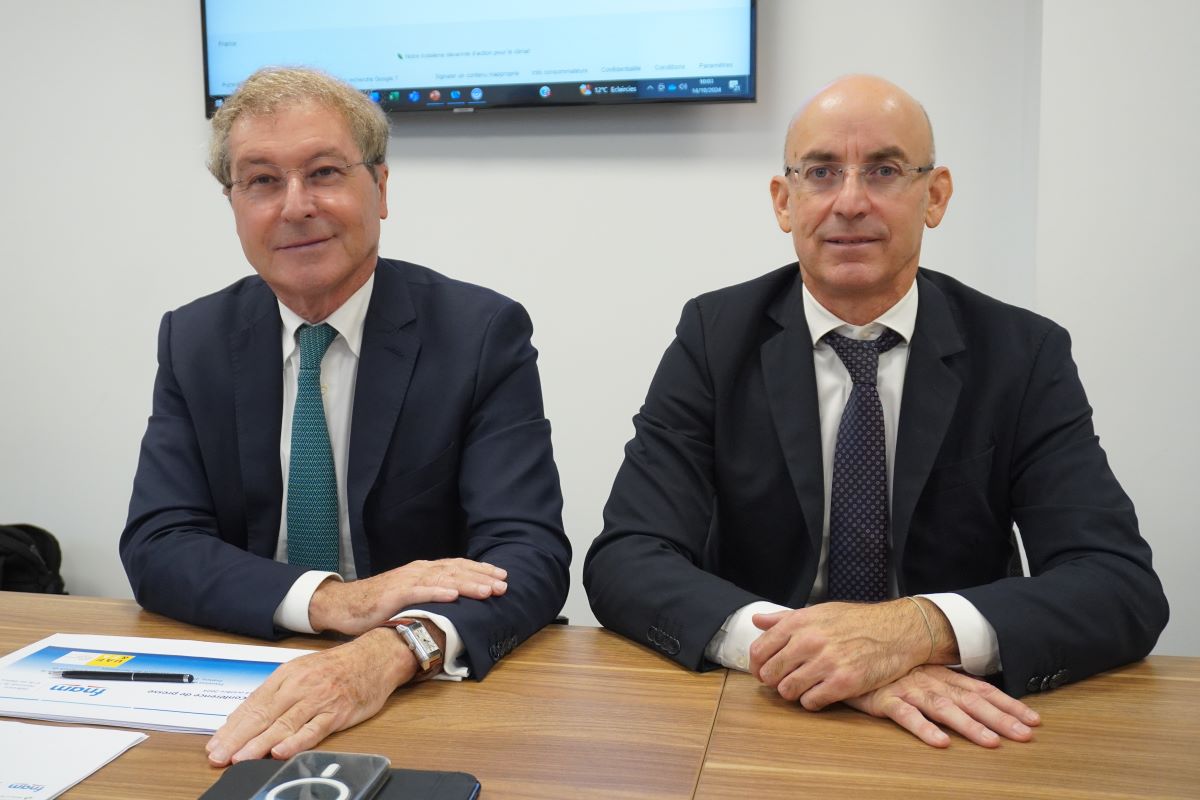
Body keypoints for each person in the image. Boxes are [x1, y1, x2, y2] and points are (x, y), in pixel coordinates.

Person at [584, 75, 1168, 748]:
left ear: (935, 195)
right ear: (784, 200)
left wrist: (916, 631)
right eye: (822, 172)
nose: (851, 201)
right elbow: (627, 557)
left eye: (885, 170)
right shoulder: (716, 337)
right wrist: (809, 654)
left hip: (954, 716)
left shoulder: (1022, 352)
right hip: (757, 714)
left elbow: (1119, 585)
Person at [120, 67, 570, 766]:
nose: (296, 206)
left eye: (324, 171)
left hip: (423, 695)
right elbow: (158, 543)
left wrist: (393, 647)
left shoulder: (479, 333)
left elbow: (529, 556)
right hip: (244, 679)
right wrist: (334, 602)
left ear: (381, 188)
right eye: (262, 180)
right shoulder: (195, 338)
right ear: (233, 202)